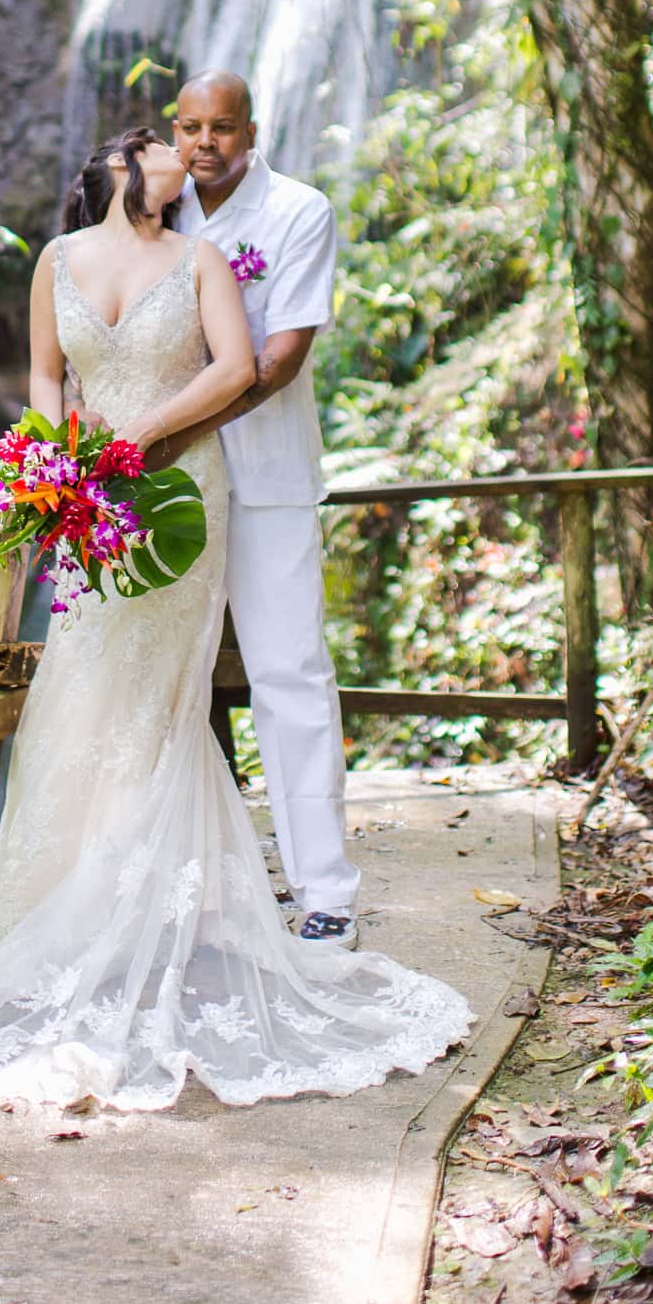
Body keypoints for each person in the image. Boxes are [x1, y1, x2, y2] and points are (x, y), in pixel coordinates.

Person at [0, 125, 470, 1110]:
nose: (176, 154)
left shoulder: (200, 259)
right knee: (79, 685)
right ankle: (59, 909)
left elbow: (237, 369)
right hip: (88, 499)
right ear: (114, 167)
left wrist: (138, 437)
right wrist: (58, 455)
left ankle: (146, 912)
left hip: (176, 494)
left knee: (157, 700)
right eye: (157, 141)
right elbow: (45, 378)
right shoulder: (55, 261)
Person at [163, 71, 359, 947]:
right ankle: (179, 890)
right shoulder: (158, 211)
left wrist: (171, 429)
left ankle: (325, 892)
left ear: (252, 129)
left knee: (288, 675)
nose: (206, 142)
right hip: (166, 486)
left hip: (266, 473)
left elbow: (279, 358)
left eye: (223, 127)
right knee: (160, 680)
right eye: (190, 127)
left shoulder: (297, 212)